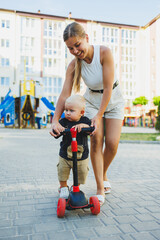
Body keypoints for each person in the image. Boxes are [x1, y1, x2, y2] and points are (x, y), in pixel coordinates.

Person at [50, 22, 125, 205]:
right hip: (91, 101)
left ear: (86, 39)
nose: (75, 50)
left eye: (77, 45)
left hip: (113, 99)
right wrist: (54, 120)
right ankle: (100, 187)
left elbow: (107, 89)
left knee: (113, 144)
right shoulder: (74, 65)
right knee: (96, 139)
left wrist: (99, 116)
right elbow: (64, 96)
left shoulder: (104, 53)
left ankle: (103, 172)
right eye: (70, 48)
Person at [54, 95, 91, 199]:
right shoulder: (64, 121)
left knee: (82, 172)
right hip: (65, 155)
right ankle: (63, 187)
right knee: (62, 171)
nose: (68, 113)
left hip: (81, 156)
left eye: (71, 110)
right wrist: (57, 129)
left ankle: (76, 187)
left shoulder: (85, 121)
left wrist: (84, 126)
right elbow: (56, 132)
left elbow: (90, 129)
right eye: (66, 110)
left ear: (81, 112)